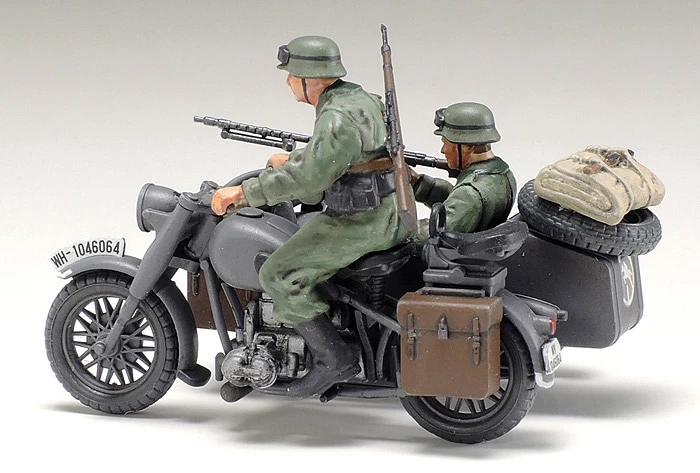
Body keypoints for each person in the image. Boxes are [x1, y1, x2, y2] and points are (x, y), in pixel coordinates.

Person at [211, 36, 412, 397]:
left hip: (358, 223)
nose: (288, 82)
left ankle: (334, 358)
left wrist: (243, 193)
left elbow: (309, 182)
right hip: (389, 213)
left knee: (277, 273)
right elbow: (346, 158)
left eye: (293, 75)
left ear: (313, 80)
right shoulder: (360, 98)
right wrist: (293, 160)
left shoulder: (335, 118)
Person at [411, 102, 516, 240]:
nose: (443, 150)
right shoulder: (505, 174)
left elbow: (434, 233)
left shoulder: (470, 192)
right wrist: (418, 183)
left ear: (469, 146)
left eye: (446, 143)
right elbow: (460, 207)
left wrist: (398, 231)